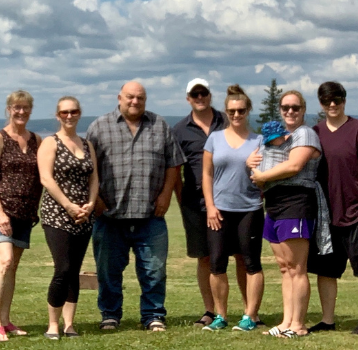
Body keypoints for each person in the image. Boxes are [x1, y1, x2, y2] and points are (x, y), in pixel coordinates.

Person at [87, 81, 186, 332]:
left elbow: (173, 164)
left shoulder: (159, 125)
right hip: (110, 215)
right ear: (119, 97)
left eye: (140, 98)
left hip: (150, 214)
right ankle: (110, 315)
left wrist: (166, 195)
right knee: (108, 271)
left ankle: (153, 315)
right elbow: (88, 167)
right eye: (130, 97)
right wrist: (95, 199)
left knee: (154, 271)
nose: (135, 102)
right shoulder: (99, 127)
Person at [171, 78, 250, 328]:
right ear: (188, 98)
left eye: (203, 92)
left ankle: (250, 311)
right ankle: (211, 310)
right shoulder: (179, 130)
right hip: (196, 204)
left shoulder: (227, 119)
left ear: (210, 95)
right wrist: (181, 199)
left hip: (232, 200)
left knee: (240, 255)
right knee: (205, 258)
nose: (199, 97)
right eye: (195, 94)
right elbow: (175, 170)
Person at [247, 90, 325, 338]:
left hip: (297, 200)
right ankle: (286, 321)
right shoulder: (277, 137)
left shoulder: (305, 133)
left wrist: (260, 176)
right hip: (275, 202)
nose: (290, 111)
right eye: (285, 107)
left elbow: (294, 165)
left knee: (297, 267)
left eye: (295, 107)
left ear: (303, 109)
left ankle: (298, 325)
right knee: (284, 267)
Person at [308, 81, 358, 335]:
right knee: (326, 270)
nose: (332, 104)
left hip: (357, 213)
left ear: (344, 100)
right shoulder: (314, 132)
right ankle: (328, 320)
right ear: (320, 103)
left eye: (337, 99)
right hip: (326, 215)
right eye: (327, 100)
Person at [200, 84, 265, 331]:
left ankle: (250, 315)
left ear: (248, 110)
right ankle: (221, 315)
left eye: (240, 111)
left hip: (249, 209)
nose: (236, 115)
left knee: (250, 262)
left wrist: (256, 168)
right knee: (216, 262)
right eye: (231, 111)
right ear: (226, 112)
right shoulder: (214, 139)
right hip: (219, 210)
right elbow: (206, 175)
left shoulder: (259, 141)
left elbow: (267, 174)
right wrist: (210, 206)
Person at [37, 96, 99, 339]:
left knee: (74, 270)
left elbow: (94, 178)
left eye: (73, 111)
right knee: (62, 268)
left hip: (84, 216)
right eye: (64, 112)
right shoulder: (50, 143)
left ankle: (69, 324)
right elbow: (46, 178)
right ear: (58, 115)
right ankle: (53, 324)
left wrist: (90, 204)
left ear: (79, 113)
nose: (69, 116)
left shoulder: (87, 144)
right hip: (57, 215)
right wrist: (69, 206)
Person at [0, 90, 43, 341]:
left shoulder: (36, 140)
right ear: (8, 109)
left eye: (26, 108)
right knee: (5, 261)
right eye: (16, 107)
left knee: (13, 267)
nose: (21, 112)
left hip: (26, 212)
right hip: (3, 211)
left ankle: (6, 320)